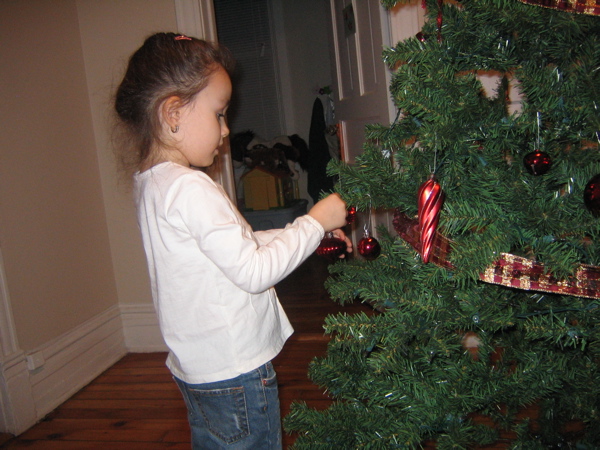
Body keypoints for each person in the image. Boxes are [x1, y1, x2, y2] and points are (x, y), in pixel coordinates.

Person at [113, 32, 351, 449]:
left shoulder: (153, 185)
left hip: (199, 372)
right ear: (173, 113)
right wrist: (314, 221)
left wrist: (307, 233)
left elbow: (235, 245)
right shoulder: (191, 188)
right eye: (220, 114)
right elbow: (253, 270)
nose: (226, 130)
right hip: (235, 373)